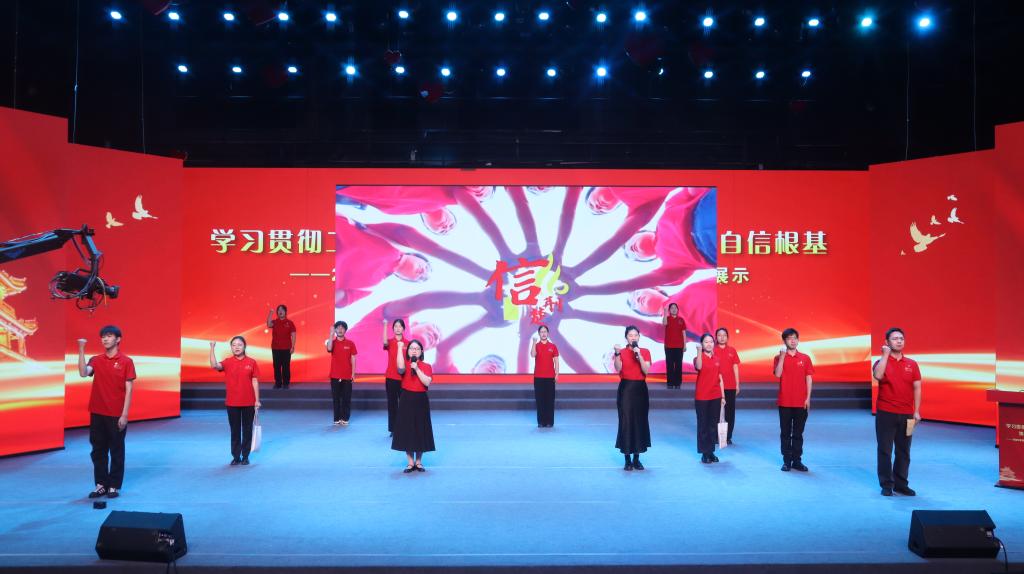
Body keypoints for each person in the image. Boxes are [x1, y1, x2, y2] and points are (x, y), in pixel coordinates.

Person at [77, 326, 135, 499]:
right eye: (103, 336)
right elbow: (83, 373)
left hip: (116, 414)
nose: (105, 339)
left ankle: (114, 485)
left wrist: (124, 414)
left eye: (109, 336)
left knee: (116, 450)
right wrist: (81, 349)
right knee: (98, 450)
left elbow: (129, 389)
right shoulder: (96, 360)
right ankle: (101, 484)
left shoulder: (126, 361)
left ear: (118, 339)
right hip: (97, 412)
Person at [872, 327, 922, 497]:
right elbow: (878, 376)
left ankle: (901, 484)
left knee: (904, 451)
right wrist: (885, 355)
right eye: (895, 339)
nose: (899, 341)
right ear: (887, 342)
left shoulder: (912, 364)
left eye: (901, 338)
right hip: (886, 413)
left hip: (907, 414)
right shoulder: (880, 362)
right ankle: (886, 484)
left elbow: (917, 387)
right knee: (885, 450)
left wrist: (916, 411)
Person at [209, 337, 261, 465]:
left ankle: (245, 456)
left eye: (239, 344)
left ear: (244, 346)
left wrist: (257, 400)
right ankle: (236, 456)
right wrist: (212, 348)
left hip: (248, 402)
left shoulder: (251, 362)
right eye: (234, 345)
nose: (236, 347)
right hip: (232, 403)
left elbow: (255, 381)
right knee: (235, 430)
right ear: (231, 347)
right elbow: (214, 365)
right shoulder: (227, 362)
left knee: (247, 430)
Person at [773, 328, 814, 472]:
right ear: (784, 341)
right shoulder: (778, 358)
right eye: (789, 338)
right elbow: (778, 374)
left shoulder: (805, 358)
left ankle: (797, 460)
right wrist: (782, 357)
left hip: (801, 402)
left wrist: (808, 398)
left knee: (798, 433)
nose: (793, 341)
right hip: (785, 401)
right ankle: (786, 461)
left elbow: (809, 379)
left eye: (795, 338)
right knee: (785, 433)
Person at [391, 339, 435, 472]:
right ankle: (410, 462)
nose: (414, 350)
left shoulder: (427, 366)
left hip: (421, 399)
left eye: (417, 348)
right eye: (411, 348)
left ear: (421, 351)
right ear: (408, 351)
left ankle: (419, 462)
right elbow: (400, 368)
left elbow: (427, 382)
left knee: (421, 428)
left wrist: (416, 368)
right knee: (407, 429)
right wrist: (400, 347)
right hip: (406, 398)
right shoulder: (405, 364)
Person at [614, 325, 652, 471]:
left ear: (639, 337)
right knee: (626, 422)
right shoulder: (622, 352)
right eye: (630, 335)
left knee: (640, 422)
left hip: (640, 389)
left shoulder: (645, 351)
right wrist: (617, 354)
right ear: (626, 337)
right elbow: (618, 368)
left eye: (636, 335)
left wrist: (639, 355)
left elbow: (646, 370)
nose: (633, 337)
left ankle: (637, 458)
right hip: (626, 390)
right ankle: (627, 459)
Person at [693, 333, 726, 463]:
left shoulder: (717, 359)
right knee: (703, 425)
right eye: (706, 342)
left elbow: (720, 378)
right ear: (702, 344)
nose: (709, 344)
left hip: (716, 395)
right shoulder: (697, 358)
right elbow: (699, 367)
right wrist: (699, 351)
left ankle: (711, 451)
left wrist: (723, 396)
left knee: (712, 425)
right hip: (702, 396)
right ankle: (704, 453)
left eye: (711, 341)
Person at [326, 321, 358, 426]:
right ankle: (337, 418)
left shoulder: (350, 343)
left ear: (345, 330)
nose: (340, 330)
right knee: (336, 398)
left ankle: (345, 418)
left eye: (342, 328)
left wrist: (353, 373)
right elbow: (329, 348)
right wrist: (331, 335)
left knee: (346, 398)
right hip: (335, 375)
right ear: (335, 330)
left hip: (347, 375)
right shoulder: (332, 342)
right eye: (338, 328)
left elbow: (353, 358)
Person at [714, 327, 741, 444]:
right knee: (715, 411)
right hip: (716, 386)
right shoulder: (713, 350)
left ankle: (728, 436)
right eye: (719, 335)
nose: (722, 337)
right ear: (716, 337)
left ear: (727, 337)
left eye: (724, 335)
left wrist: (737, 384)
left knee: (730, 412)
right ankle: (715, 436)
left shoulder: (732, 350)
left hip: (730, 386)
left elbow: (735, 367)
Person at [530, 325, 560, 428]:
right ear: (539, 334)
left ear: (548, 333)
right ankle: (541, 422)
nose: (543, 333)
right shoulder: (536, 345)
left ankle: (549, 422)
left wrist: (557, 374)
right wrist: (534, 342)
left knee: (550, 400)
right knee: (540, 400)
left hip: (550, 377)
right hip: (538, 377)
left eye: (545, 331)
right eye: (541, 332)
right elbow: (533, 355)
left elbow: (556, 361)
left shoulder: (553, 346)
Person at [382, 318, 407, 435]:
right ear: (393, 329)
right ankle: (393, 429)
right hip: (391, 378)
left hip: (404, 378)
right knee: (392, 404)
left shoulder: (408, 343)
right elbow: (384, 342)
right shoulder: (390, 342)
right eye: (395, 326)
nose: (397, 328)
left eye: (400, 326)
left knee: (404, 404)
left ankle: (404, 428)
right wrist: (385, 325)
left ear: (403, 328)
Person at [266, 305, 296, 389]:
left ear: (285, 312)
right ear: (277, 312)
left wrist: (293, 346)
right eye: (279, 310)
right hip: (275, 348)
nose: (280, 311)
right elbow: (268, 324)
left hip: (286, 348)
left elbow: (293, 335)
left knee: (286, 366)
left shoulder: (290, 323)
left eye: (282, 310)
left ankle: (286, 383)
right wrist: (270, 313)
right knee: (276, 366)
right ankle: (278, 383)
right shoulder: (275, 322)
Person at [662, 303, 686, 389]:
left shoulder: (681, 320)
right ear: (669, 310)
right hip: (668, 346)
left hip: (679, 346)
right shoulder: (667, 318)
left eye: (675, 308)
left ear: (678, 310)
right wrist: (665, 312)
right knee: (669, 365)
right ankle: (670, 383)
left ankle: (678, 383)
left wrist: (684, 345)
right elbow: (664, 323)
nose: (674, 309)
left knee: (678, 365)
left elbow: (683, 333)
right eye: (672, 308)